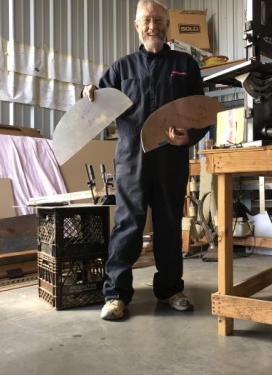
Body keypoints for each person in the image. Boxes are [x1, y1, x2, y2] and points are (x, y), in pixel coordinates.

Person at [82, 0, 209, 320]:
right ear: (137, 26)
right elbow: (97, 108)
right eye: (146, 21)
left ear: (167, 25)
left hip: (171, 158)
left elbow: (201, 113)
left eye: (158, 20)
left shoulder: (186, 65)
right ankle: (115, 295)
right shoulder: (122, 68)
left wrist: (189, 138)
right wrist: (88, 92)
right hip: (131, 158)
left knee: (168, 225)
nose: (153, 25)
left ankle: (169, 290)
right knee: (128, 225)